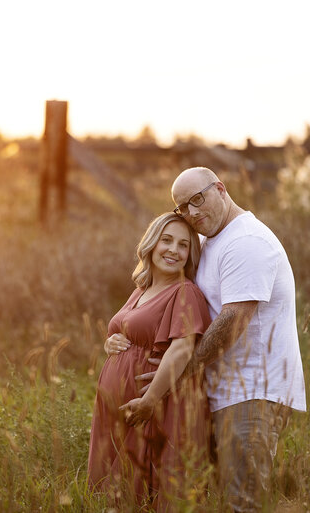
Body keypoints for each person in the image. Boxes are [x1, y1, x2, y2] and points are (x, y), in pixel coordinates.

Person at [128, 167, 307, 512]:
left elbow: (233, 320)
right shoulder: (212, 239)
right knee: (215, 498)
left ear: (221, 189)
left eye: (198, 199)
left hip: (251, 391)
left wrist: (180, 373)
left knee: (244, 501)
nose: (192, 213)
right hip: (220, 391)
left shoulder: (247, 242)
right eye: (183, 208)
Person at [87, 212, 213, 511]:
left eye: (183, 245)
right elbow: (125, 330)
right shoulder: (141, 290)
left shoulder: (185, 292)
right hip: (125, 410)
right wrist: (110, 342)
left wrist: (150, 400)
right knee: (118, 495)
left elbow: (182, 349)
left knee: (146, 492)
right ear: (151, 243)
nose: (173, 250)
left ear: (189, 254)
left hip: (156, 407)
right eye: (166, 240)